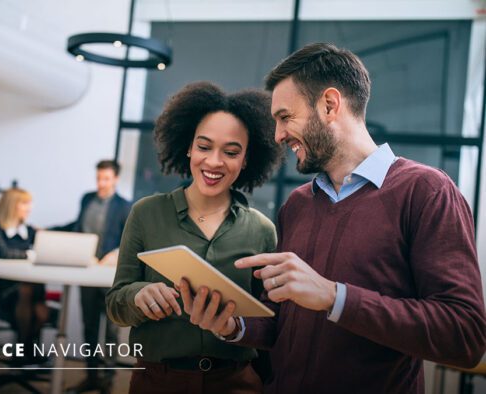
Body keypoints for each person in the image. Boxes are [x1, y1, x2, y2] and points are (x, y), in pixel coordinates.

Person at [179, 43, 486, 393]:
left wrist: (333, 296)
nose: (278, 135)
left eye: (285, 117)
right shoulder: (296, 205)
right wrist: (233, 325)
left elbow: (465, 335)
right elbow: (280, 322)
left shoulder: (426, 191)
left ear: (329, 105)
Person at [106, 81, 284, 394]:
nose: (214, 162)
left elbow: (272, 327)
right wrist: (137, 296)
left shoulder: (261, 230)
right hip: (157, 381)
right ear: (188, 146)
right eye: (204, 147)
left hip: (235, 382)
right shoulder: (146, 214)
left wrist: (234, 328)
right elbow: (116, 303)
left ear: (246, 159)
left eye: (231, 152)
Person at [58, 160, 132, 394]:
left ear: (116, 179)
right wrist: (50, 230)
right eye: (99, 178)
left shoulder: (124, 206)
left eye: (106, 179)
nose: (101, 183)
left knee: (111, 330)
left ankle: (108, 380)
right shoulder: (87, 199)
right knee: (89, 326)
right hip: (86, 271)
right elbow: (77, 226)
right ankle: (91, 376)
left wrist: (116, 253)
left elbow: (129, 239)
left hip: (111, 275)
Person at [0, 188, 49, 364]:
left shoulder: (31, 231)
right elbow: (3, 252)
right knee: (26, 289)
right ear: (11, 205)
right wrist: (31, 254)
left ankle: (25, 349)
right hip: (6, 291)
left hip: (33, 292)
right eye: (25, 203)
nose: (29, 208)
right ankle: (25, 350)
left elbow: (43, 253)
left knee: (39, 307)